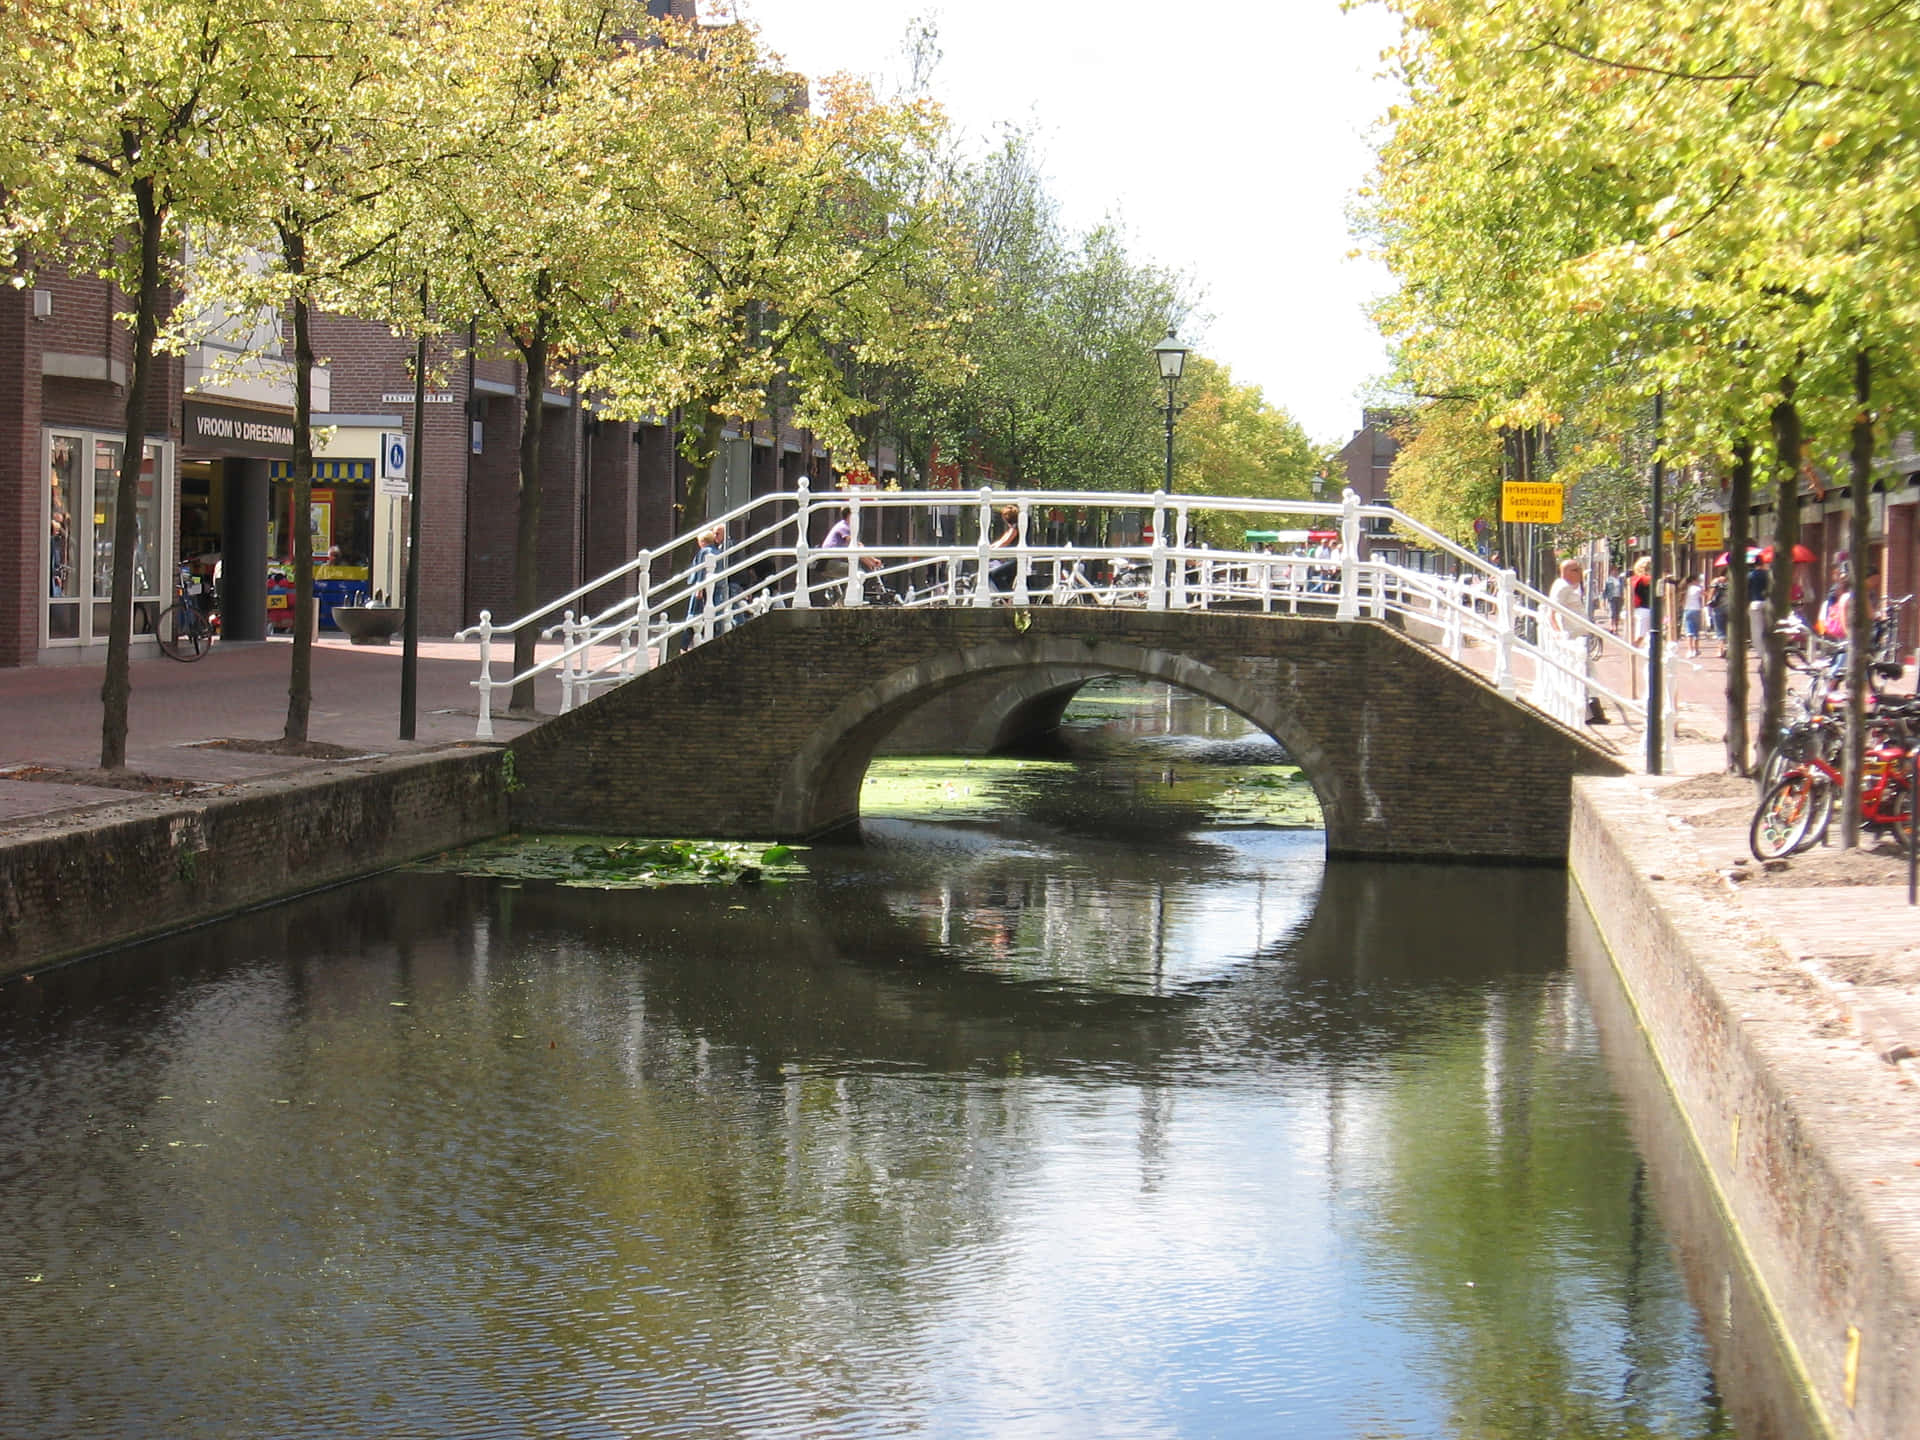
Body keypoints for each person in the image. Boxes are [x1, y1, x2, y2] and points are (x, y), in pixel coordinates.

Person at [816, 505, 879, 604]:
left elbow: (857, 549)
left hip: (829, 562)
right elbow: (855, 546)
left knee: (858, 573)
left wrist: (870, 562)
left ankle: (844, 603)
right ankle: (841, 604)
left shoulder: (843, 526)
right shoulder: (844, 526)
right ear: (850, 515)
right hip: (828, 563)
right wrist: (872, 560)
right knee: (858, 574)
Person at [987, 504, 1020, 594]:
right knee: (1007, 582)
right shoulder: (1012, 528)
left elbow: (1005, 542)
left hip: (1016, 561)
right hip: (1012, 560)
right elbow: (1001, 541)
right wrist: (989, 547)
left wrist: (990, 550)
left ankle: (1007, 598)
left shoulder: (1016, 528)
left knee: (994, 575)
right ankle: (1007, 600)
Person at [1548, 557, 1583, 634]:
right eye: (1576, 570)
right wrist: (1558, 632)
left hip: (1577, 633)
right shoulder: (1563, 587)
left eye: (1580, 569)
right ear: (1566, 572)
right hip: (1570, 634)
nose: (1580, 572)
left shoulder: (1570, 585)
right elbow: (1552, 612)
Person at [1630, 556, 1653, 644]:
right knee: (1640, 637)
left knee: (1647, 636)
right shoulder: (1645, 579)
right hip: (1645, 610)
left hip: (1640, 609)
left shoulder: (1635, 579)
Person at [1682, 573, 1705, 657]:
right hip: (1696, 609)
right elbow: (1705, 595)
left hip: (1687, 610)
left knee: (1689, 631)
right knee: (1696, 631)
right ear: (1693, 580)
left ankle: (1689, 650)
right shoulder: (1698, 588)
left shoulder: (1685, 589)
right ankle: (1696, 649)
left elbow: (1682, 601)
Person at [1707, 570, 1728, 656]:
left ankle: (1720, 650)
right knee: (1729, 628)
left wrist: (1708, 601)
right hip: (1730, 607)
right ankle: (1729, 648)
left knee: (1720, 629)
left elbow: (1711, 592)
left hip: (1718, 607)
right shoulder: (1734, 580)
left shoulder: (1716, 581)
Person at [1602, 569, 1623, 633]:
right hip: (1612, 598)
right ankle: (1611, 627)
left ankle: (1616, 627)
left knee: (1617, 613)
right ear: (1611, 572)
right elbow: (1606, 589)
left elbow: (1624, 588)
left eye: (1616, 571)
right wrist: (1604, 599)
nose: (1615, 572)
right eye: (1614, 571)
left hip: (1619, 598)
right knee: (1612, 612)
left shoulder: (1620, 579)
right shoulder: (1609, 580)